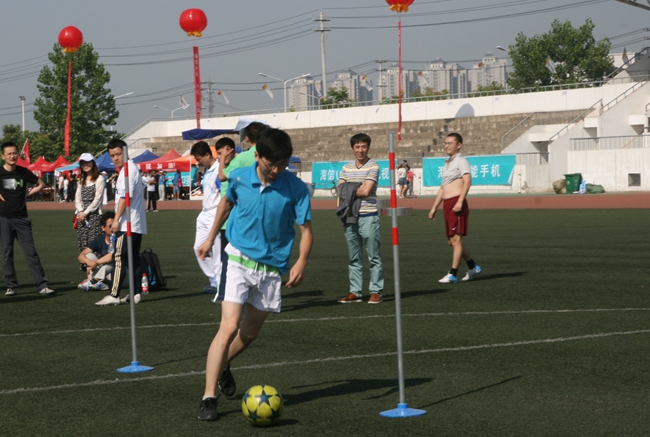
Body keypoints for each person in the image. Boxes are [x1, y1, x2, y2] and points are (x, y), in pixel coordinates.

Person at [195, 128, 313, 421]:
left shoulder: (296, 189)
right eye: (270, 163)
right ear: (257, 155)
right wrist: (210, 238)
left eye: (282, 164)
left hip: (271, 268)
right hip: (237, 259)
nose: (275, 170)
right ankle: (209, 397)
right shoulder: (238, 177)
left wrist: (301, 261)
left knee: (249, 333)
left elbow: (306, 230)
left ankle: (222, 365)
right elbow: (225, 203)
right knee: (230, 326)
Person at [95, 139, 148, 306]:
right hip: (135, 222)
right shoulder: (129, 169)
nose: (116, 158)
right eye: (112, 155)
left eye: (118, 154)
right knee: (133, 259)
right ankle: (136, 293)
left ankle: (114, 294)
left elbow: (126, 198)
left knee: (119, 257)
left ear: (125, 152)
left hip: (128, 224)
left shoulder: (128, 171)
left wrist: (116, 220)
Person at [0, 141, 55, 296]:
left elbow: (41, 184)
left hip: (22, 218)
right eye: (9, 153)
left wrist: (28, 194)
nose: (12, 156)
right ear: (3, 156)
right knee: (7, 253)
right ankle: (11, 285)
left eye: (14, 153)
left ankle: (42, 285)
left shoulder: (23, 172)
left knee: (31, 252)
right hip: (4, 218)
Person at [337, 133, 384, 304]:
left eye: (363, 146)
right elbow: (339, 190)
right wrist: (354, 188)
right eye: (357, 147)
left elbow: (365, 191)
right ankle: (355, 292)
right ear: (352, 148)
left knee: (374, 255)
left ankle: (376, 290)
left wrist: (348, 189)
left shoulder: (374, 166)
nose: (360, 150)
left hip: (368, 215)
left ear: (368, 147)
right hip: (350, 216)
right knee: (353, 256)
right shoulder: (346, 167)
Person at [428, 133, 481, 283]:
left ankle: (453, 273)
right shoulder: (447, 164)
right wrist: (434, 208)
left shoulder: (461, 161)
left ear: (459, 145)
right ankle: (472, 266)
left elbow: (467, 182)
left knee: (456, 240)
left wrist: (460, 201)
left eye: (450, 143)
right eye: (445, 143)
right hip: (447, 204)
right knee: (452, 241)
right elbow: (442, 188)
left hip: (456, 203)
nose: (446, 145)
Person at [191, 141, 223, 297]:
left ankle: (218, 282)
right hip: (204, 213)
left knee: (216, 252)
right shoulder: (207, 170)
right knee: (198, 248)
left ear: (207, 155)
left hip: (215, 213)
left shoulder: (219, 170)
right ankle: (214, 279)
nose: (198, 162)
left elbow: (224, 194)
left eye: (199, 158)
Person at [74, 153, 105, 270]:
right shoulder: (81, 179)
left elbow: (97, 199)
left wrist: (85, 212)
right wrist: (80, 211)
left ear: (93, 163)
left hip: (94, 216)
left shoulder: (99, 178)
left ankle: (96, 266)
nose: (85, 165)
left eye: (87, 162)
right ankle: (85, 266)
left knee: (94, 242)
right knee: (83, 241)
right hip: (82, 216)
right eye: (83, 163)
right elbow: (77, 197)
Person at [77, 211, 116, 291]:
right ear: (103, 227)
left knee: (109, 265)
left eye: (114, 225)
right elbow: (81, 256)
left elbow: (112, 256)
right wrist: (88, 261)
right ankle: (99, 283)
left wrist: (96, 263)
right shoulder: (100, 240)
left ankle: (91, 282)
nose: (113, 228)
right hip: (105, 274)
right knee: (89, 256)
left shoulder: (120, 238)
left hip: (119, 275)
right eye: (110, 226)